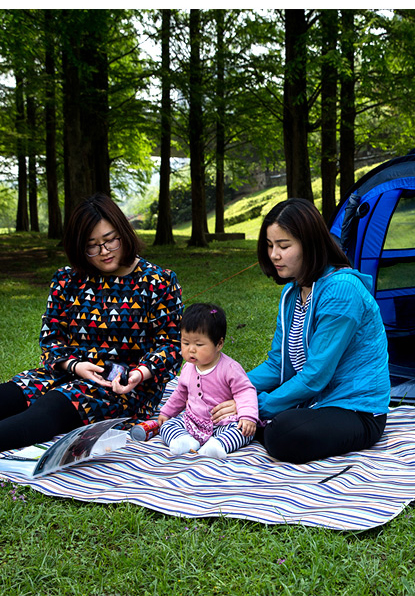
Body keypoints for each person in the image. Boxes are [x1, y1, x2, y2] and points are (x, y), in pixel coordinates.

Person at [211, 198, 390, 464]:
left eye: (284, 246)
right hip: (314, 402)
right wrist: (230, 387)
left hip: (356, 409)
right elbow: (277, 364)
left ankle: (253, 423)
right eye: (270, 246)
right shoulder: (292, 292)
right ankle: (248, 422)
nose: (274, 255)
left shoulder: (341, 292)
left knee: (284, 434)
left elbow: (315, 376)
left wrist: (250, 405)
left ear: (310, 245)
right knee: (219, 403)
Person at [0, 193, 183, 452]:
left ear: (123, 232)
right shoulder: (68, 279)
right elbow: (50, 337)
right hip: (66, 371)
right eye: (92, 245)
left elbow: (172, 346)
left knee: (50, 408)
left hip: (121, 386)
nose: (104, 251)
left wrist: (139, 373)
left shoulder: (158, 281)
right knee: (9, 396)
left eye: (110, 240)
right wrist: (74, 366)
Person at [158, 303, 258, 458]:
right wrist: (167, 412)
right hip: (193, 421)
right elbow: (180, 394)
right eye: (185, 343)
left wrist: (247, 416)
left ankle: (218, 445)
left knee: (244, 431)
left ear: (219, 344)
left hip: (223, 423)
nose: (191, 349)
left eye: (199, 344)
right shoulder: (188, 368)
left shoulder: (230, 368)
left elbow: (245, 391)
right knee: (167, 426)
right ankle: (185, 441)